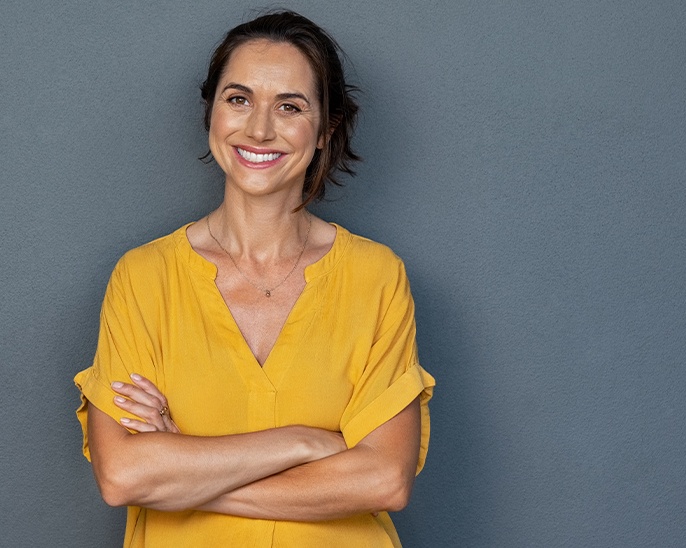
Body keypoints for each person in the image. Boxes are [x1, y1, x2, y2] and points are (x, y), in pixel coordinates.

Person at [74, 10, 434, 547]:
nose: (259, 128)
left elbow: (384, 479)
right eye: (238, 99)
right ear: (212, 114)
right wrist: (304, 442)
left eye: (289, 106)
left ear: (324, 131)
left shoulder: (376, 276)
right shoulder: (144, 277)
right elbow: (125, 474)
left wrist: (188, 476)